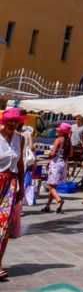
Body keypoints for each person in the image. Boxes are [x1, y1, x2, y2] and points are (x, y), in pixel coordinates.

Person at [0, 108, 26, 280]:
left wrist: (22, 186)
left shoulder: (20, 139)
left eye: (15, 121)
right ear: (4, 121)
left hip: (10, 184)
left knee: (4, 225)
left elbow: (20, 163)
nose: (12, 123)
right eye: (9, 120)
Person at [42, 123, 73, 213]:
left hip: (55, 165)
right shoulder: (68, 141)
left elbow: (52, 154)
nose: (57, 131)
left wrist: (48, 154)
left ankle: (59, 200)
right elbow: (70, 154)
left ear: (62, 132)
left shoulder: (58, 140)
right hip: (63, 164)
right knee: (54, 186)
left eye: (59, 130)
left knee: (50, 186)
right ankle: (47, 206)